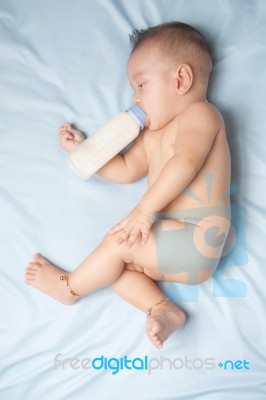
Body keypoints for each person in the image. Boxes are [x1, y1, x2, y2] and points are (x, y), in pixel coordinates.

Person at [24, 22, 231, 349]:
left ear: (181, 80)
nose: (135, 98)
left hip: (198, 236)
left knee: (119, 242)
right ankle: (162, 309)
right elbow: (125, 168)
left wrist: (144, 211)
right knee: (111, 267)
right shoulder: (152, 134)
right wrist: (87, 150)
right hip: (176, 248)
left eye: (141, 85)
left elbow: (186, 163)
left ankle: (70, 288)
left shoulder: (201, 115)